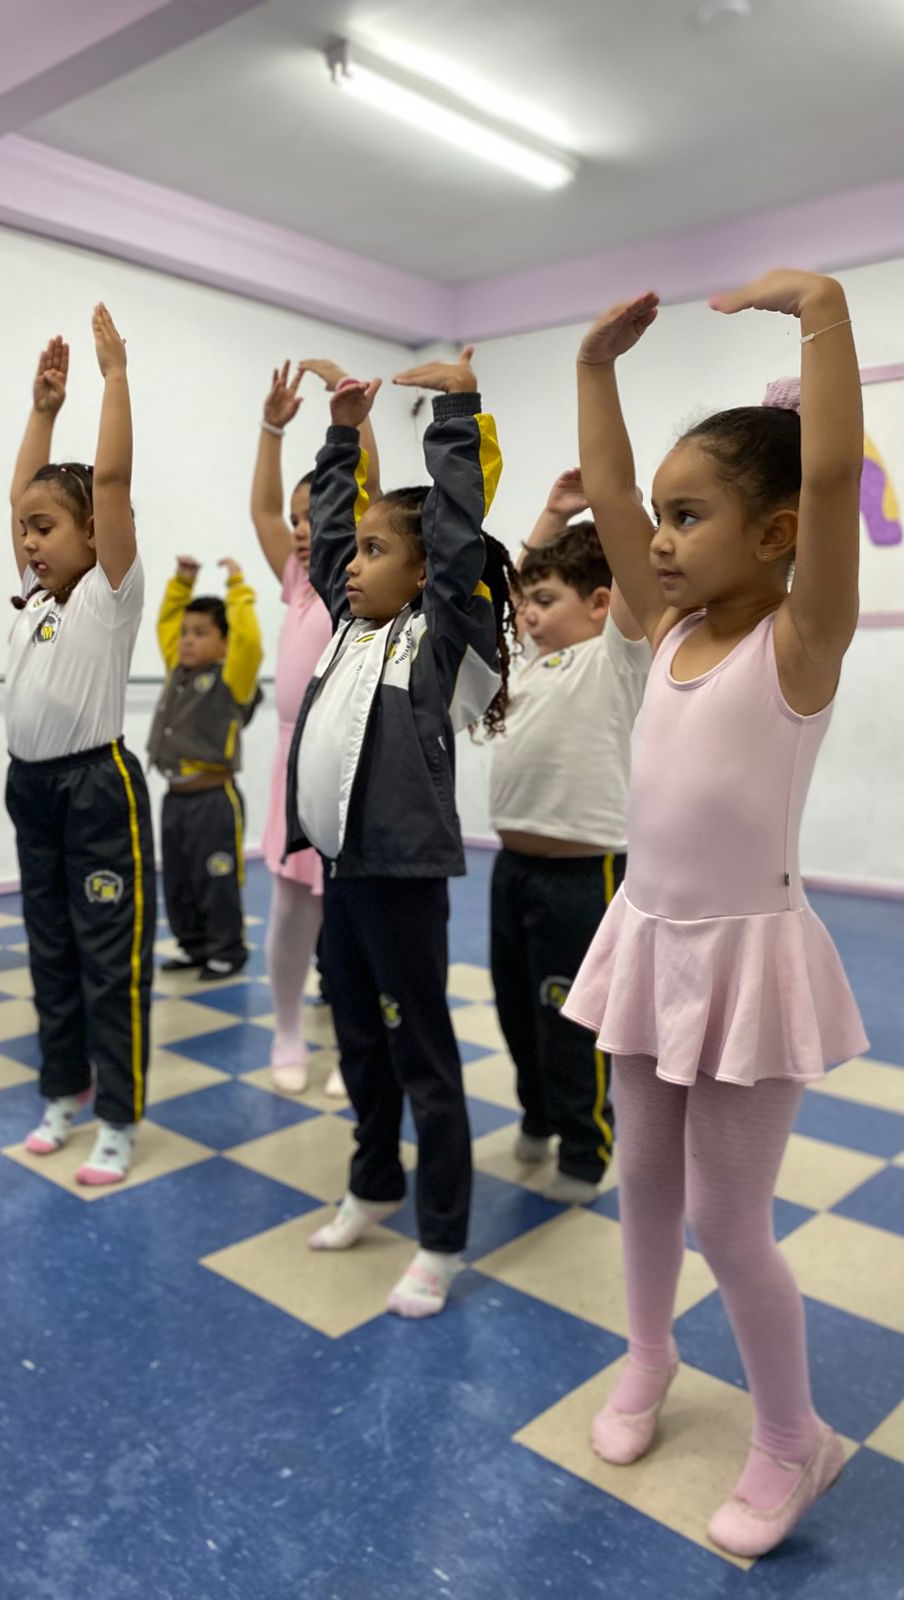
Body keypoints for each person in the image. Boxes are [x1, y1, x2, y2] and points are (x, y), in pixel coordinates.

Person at [565, 270, 868, 1557]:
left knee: (727, 1221)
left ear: (779, 533)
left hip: (750, 958)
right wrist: (593, 369)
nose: (660, 539)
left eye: (691, 517)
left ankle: (792, 1439)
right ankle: (648, 1354)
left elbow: (837, 476)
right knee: (642, 1180)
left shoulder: (799, 642)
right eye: (662, 517)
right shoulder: (662, 626)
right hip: (647, 938)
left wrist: (824, 313)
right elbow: (611, 496)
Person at [286, 346, 513, 1319]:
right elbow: (329, 539)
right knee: (356, 1037)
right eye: (354, 551)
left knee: (421, 1053)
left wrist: (457, 413)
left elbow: (458, 535)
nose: (350, 563)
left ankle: (443, 1236)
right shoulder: (351, 630)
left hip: (403, 874)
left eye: (377, 553)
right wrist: (341, 437)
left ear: (424, 574)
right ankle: (374, 1179)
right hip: (343, 867)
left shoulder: (437, 637)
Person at [4, 314, 155, 1187]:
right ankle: (64, 1088)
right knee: (50, 951)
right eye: (24, 529)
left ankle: (118, 1119)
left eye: (47, 528)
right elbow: (23, 492)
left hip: (98, 792)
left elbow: (112, 480)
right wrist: (41, 410)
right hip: (31, 790)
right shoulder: (34, 600)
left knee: (109, 960)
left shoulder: (109, 593)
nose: (29, 542)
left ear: (94, 533)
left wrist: (113, 378)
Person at [488, 470, 650, 1203]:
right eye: (526, 604)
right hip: (512, 870)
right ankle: (537, 1113)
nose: (528, 614)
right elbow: (514, 592)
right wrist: (551, 514)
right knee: (517, 1010)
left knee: (572, 1017)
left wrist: (616, 507)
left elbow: (634, 573)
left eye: (546, 602)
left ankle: (585, 1146)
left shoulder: (616, 657)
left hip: (583, 877)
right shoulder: (530, 662)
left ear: (600, 604)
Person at [250, 357, 380, 1096]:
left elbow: (372, 493)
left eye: (315, 517)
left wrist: (351, 416)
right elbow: (264, 513)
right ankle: (287, 1030)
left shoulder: (354, 580)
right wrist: (272, 430)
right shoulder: (298, 579)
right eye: (300, 520)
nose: (302, 531)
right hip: (289, 761)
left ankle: (356, 1041)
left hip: (349, 758)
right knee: (291, 909)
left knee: (351, 914)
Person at [148, 553, 262, 980]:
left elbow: (249, 642)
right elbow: (166, 625)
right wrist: (181, 585)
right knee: (179, 880)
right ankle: (193, 946)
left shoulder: (232, 678)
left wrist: (237, 589)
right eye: (185, 633)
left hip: (214, 802)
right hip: (174, 800)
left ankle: (226, 950)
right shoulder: (177, 670)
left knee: (216, 878)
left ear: (225, 643)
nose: (187, 641)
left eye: (200, 633)